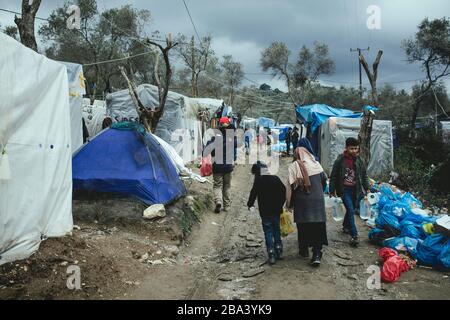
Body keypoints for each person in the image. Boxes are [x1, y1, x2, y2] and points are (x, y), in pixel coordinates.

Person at [286, 147, 328, 267]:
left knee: (303, 227)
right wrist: (319, 191)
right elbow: (324, 181)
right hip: (318, 202)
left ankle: (304, 250)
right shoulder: (317, 164)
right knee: (318, 227)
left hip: (302, 203)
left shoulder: (293, 167)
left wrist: (288, 204)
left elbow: (289, 188)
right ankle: (317, 254)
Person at [329, 137, 370, 247]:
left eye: (356, 148)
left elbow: (364, 175)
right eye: (352, 148)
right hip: (344, 190)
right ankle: (354, 235)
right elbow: (333, 176)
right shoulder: (340, 160)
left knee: (351, 209)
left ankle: (346, 226)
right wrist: (331, 190)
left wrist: (367, 188)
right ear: (346, 148)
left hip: (356, 190)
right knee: (350, 210)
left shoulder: (359, 160)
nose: (354, 151)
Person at [247, 162, 286, 265]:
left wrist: (250, 204)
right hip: (276, 211)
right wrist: (280, 205)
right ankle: (279, 250)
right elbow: (283, 191)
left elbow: (253, 194)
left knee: (268, 232)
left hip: (265, 212)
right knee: (276, 230)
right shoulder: (275, 179)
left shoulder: (259, 181)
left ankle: (271, 253)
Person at [204, 117, 237, 213]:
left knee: (217, 185)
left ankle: (218, 201)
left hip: (217, 166)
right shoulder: (232, 139)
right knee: (227, 186)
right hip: (228, 166)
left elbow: (207, 149)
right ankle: (226, 206)